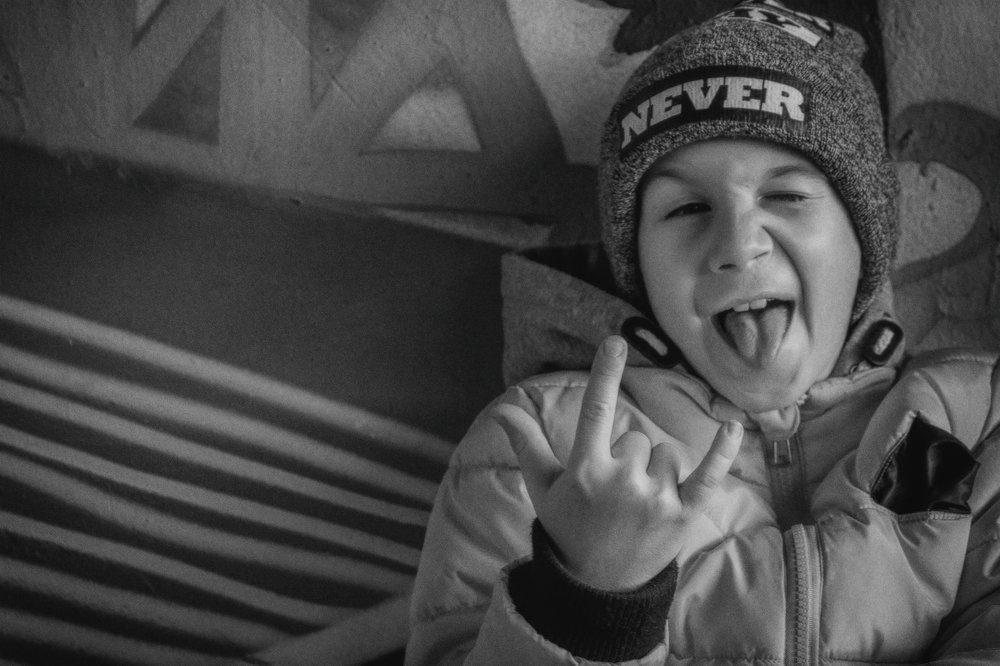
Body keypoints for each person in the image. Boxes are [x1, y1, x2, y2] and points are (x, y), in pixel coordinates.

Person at [406, 1, 1000, 663]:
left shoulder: (974, 423)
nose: (739, 247)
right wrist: (588, 601)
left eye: (787, 196)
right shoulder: (539, 445)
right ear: (639, 266)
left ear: (865, 240)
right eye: (687, 208)